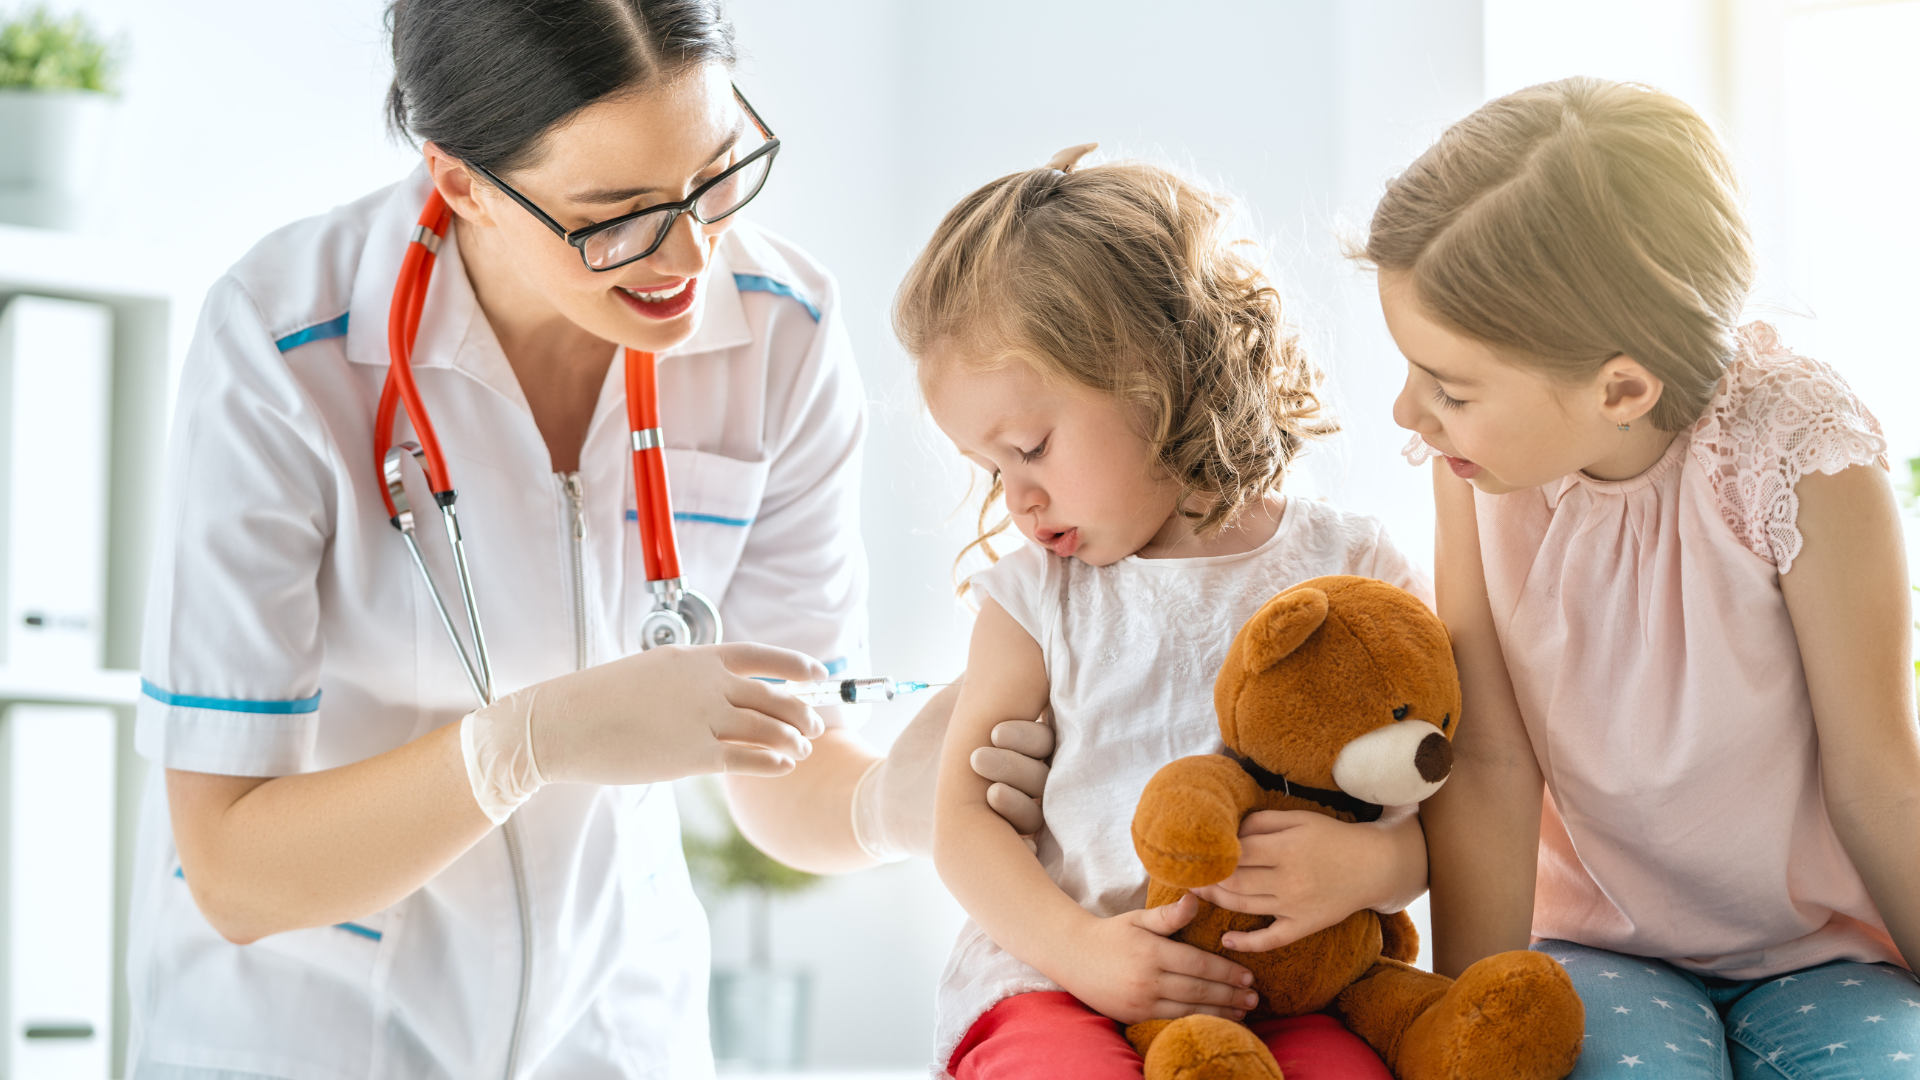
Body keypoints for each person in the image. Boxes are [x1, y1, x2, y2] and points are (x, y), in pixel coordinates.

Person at [128, 3, 1050, 1076]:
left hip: (618, 1027)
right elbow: (233, 869)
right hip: (315, 1030)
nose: (691, 252)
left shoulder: (780, 331)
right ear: (460, 182)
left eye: (715, 173)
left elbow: (786, 766)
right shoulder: (286, 346)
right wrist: (526, 743)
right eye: (616, 214)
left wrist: (888, 802)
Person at [1375, 78, 1920, 1076]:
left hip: (1823, 952)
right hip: (1598, 945)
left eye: (1448, 388)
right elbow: (1492, 762)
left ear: (1621, 387)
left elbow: (1880, 779)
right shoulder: (1480, 467)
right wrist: (1467, 1025)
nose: (1407, 412)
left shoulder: (1802, 458)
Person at [903, 149, 1434, 1079]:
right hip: (1055, 984)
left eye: (1030, 447)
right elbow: (962, 825)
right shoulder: (1035, 597)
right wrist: (1084, 954)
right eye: (994, 469)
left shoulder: (1354, 567)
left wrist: (1369, 872)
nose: (1017, 500)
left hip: (1286, 986)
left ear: (1160, 374)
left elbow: (1431, 798)